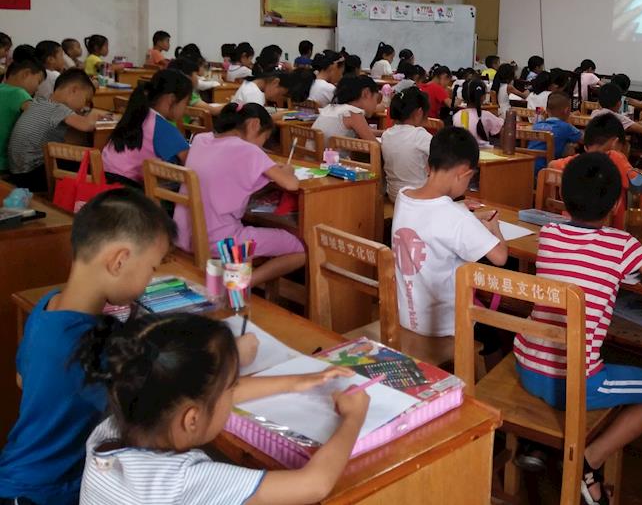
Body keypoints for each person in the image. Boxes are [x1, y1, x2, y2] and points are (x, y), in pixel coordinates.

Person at [513, 152, 642, 505]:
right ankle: (589, 461)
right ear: (617, 204)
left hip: (527, 367)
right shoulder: (623, 244)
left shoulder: (549, 233)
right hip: (576, 385)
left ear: (564, 199)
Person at [77, 313, 368, 505]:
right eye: (230, 388)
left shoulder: (109, 431)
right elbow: (314, 484)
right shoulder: (183, 481)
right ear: (191, 419)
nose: (233, 393)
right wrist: (353, 417)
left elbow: (204, 398)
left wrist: (296, 381)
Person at [0, 189, 176, 505]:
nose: (150, 281)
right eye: (152, 268)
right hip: (44, 496)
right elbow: (169, 392)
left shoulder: (48, 306)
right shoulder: (90, 344)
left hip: (18, 476)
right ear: (119, 261)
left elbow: (22, 379)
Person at [391, 127, 508, 338]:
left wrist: (465, 214)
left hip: (405, 318)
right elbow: (500, 257)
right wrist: (494, 228)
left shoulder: (403, 197)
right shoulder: (457, 217)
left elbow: (432, 219)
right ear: (464, 173)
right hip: (446, 329)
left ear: (429, 165)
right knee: (497, 335)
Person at [175, 103, 307, 287]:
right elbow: (291, 184)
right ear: (254, 124)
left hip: (184, 236)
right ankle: (239, 284)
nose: (261, 146)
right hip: (221, 243)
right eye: (264, 138)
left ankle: (233, 279)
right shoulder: (248, 150)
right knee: (300, 250)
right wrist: (288, 171)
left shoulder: (200, 139)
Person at [7, 69, 101, 191]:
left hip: (17, 173)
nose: (84, 106)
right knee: (88, 164)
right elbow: (87, 126)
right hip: (31, 175)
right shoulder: (58, 108)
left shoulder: (40, 102)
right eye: (86, 100)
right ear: (74, 90)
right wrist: (96, 113)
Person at [101, 69, 191, 187]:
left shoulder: (137, 114)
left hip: (104, 180)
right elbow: (190, 161)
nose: (186, 110)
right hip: (128, 190)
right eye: (186, 103)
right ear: (171, 100)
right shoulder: (161, 127)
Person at [548, 113, 638, 229]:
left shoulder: (575, 162)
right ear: (615, 143)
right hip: (609, 231)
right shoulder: (616, 158)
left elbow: (551, 165)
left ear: (585, 147)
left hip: (570, 226)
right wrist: (634, 172)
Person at [382, 87, 433, 201]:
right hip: (418, 197)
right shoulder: (419, 134)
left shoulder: (387, 134)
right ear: (419, 112)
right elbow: (444, 157)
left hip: (394, 195)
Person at [0, 58, 45, 175]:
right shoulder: (19, 93)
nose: (37, 88)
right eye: (38, 81)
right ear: (26, 74)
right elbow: (40, 117)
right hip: (4, 164)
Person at [313, 75, 380, 142]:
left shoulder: (330, 108)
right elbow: (375, 145)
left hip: (316, 148)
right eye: (376, 99)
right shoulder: (353, 113)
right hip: (331, 149)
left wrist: (382, 133)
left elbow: (364, 131)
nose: (375, 104)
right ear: (366, 93)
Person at [529, 92, 582, 174]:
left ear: (547, 110)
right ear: (566, 110)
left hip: (530, 168)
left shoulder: (536, 125)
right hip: (547, 170)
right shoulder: (565, 127)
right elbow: (585, 139)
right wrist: (569, 122)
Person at [453, 78, 503, 143]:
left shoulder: (456, 115)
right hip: (484, 149)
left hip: (461, 148)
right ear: (483, 97)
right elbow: (502, 128)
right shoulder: (486, 115)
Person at [233, 69, 312, 107]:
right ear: (275, 82)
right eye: (281, 95)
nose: (278, 99)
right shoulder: (254, 94)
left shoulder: (249, 85)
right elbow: (258, 124)